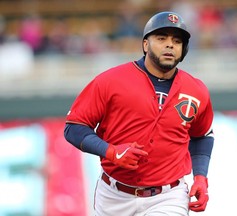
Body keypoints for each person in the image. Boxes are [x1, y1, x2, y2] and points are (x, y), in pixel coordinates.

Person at [64, 11, 214, 216]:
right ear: (145, 45)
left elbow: (202, 136)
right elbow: (74, 127)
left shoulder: (196, 89)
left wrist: (200, 177)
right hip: (113, 195)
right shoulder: (110, 80)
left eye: (177, 41)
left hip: (168, 196)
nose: (170, 44)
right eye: (161, 38)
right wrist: (111, 151)